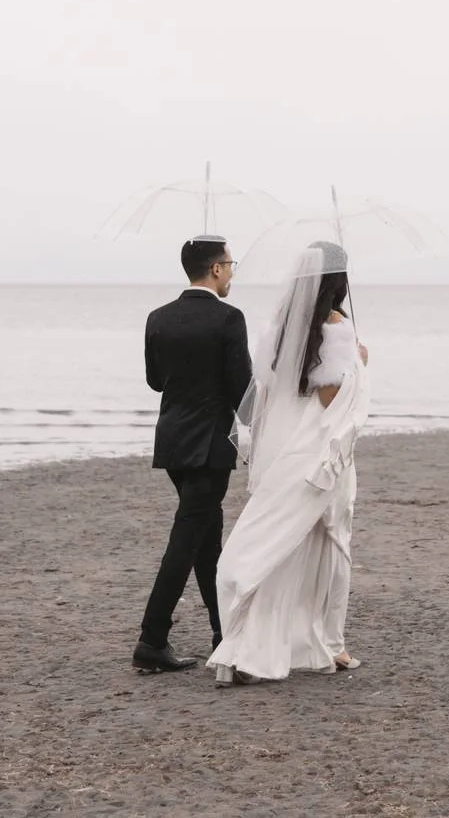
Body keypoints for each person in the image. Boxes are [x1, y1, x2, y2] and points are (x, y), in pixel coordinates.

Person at [207, 240, 368, 684]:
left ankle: (275, 641)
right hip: (318, 452)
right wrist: (357, 362)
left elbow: (268, 387)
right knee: (328, 547)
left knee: (285, 542)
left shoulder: (278, 327)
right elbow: (330, 394)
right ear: (338, 282)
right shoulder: (336, 327)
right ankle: (324, 643)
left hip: (282, 448)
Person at [133, 237, 253, 673]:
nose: (233, 272)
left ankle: (223, 633)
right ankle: (151, 639)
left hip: (172, 441)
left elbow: (155, 381)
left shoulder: (158, 318)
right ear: (216, 269)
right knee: (186, 541)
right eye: (230, 264)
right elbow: (244, 390)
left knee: (206, 542)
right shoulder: (228, 319)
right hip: (209, 445)